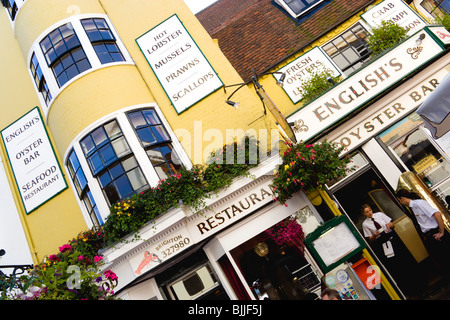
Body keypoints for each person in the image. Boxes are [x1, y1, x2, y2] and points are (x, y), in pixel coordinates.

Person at [396, 189, 450, 270]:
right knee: (443, 260)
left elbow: (437, 214)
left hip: (436, 233)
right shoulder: (412, 208)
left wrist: (441, 232)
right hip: (430, 236)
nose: (400, 203)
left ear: (403, 198)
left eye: (399, 200)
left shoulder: (419, 203)